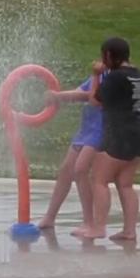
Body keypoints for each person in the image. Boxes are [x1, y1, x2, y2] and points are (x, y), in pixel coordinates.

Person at [82, 37, 140, 241]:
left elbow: (94, 101)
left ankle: (99, 228)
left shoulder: (115, 77)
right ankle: (129, 231)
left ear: (108, 55)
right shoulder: (137, 73)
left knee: (99, 180)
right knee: (125, 183)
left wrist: (96, 75)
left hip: (121, 134)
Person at [39, 64, 106, 235]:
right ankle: (50, 217)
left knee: (81, 171)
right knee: (66, 171)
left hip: (101, 129)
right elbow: (79, 92)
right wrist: (60, 98)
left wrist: (58, 96)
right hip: (86, 130)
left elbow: (91, 97)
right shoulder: (98, 75)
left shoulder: (112, 77)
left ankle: (89, 222)